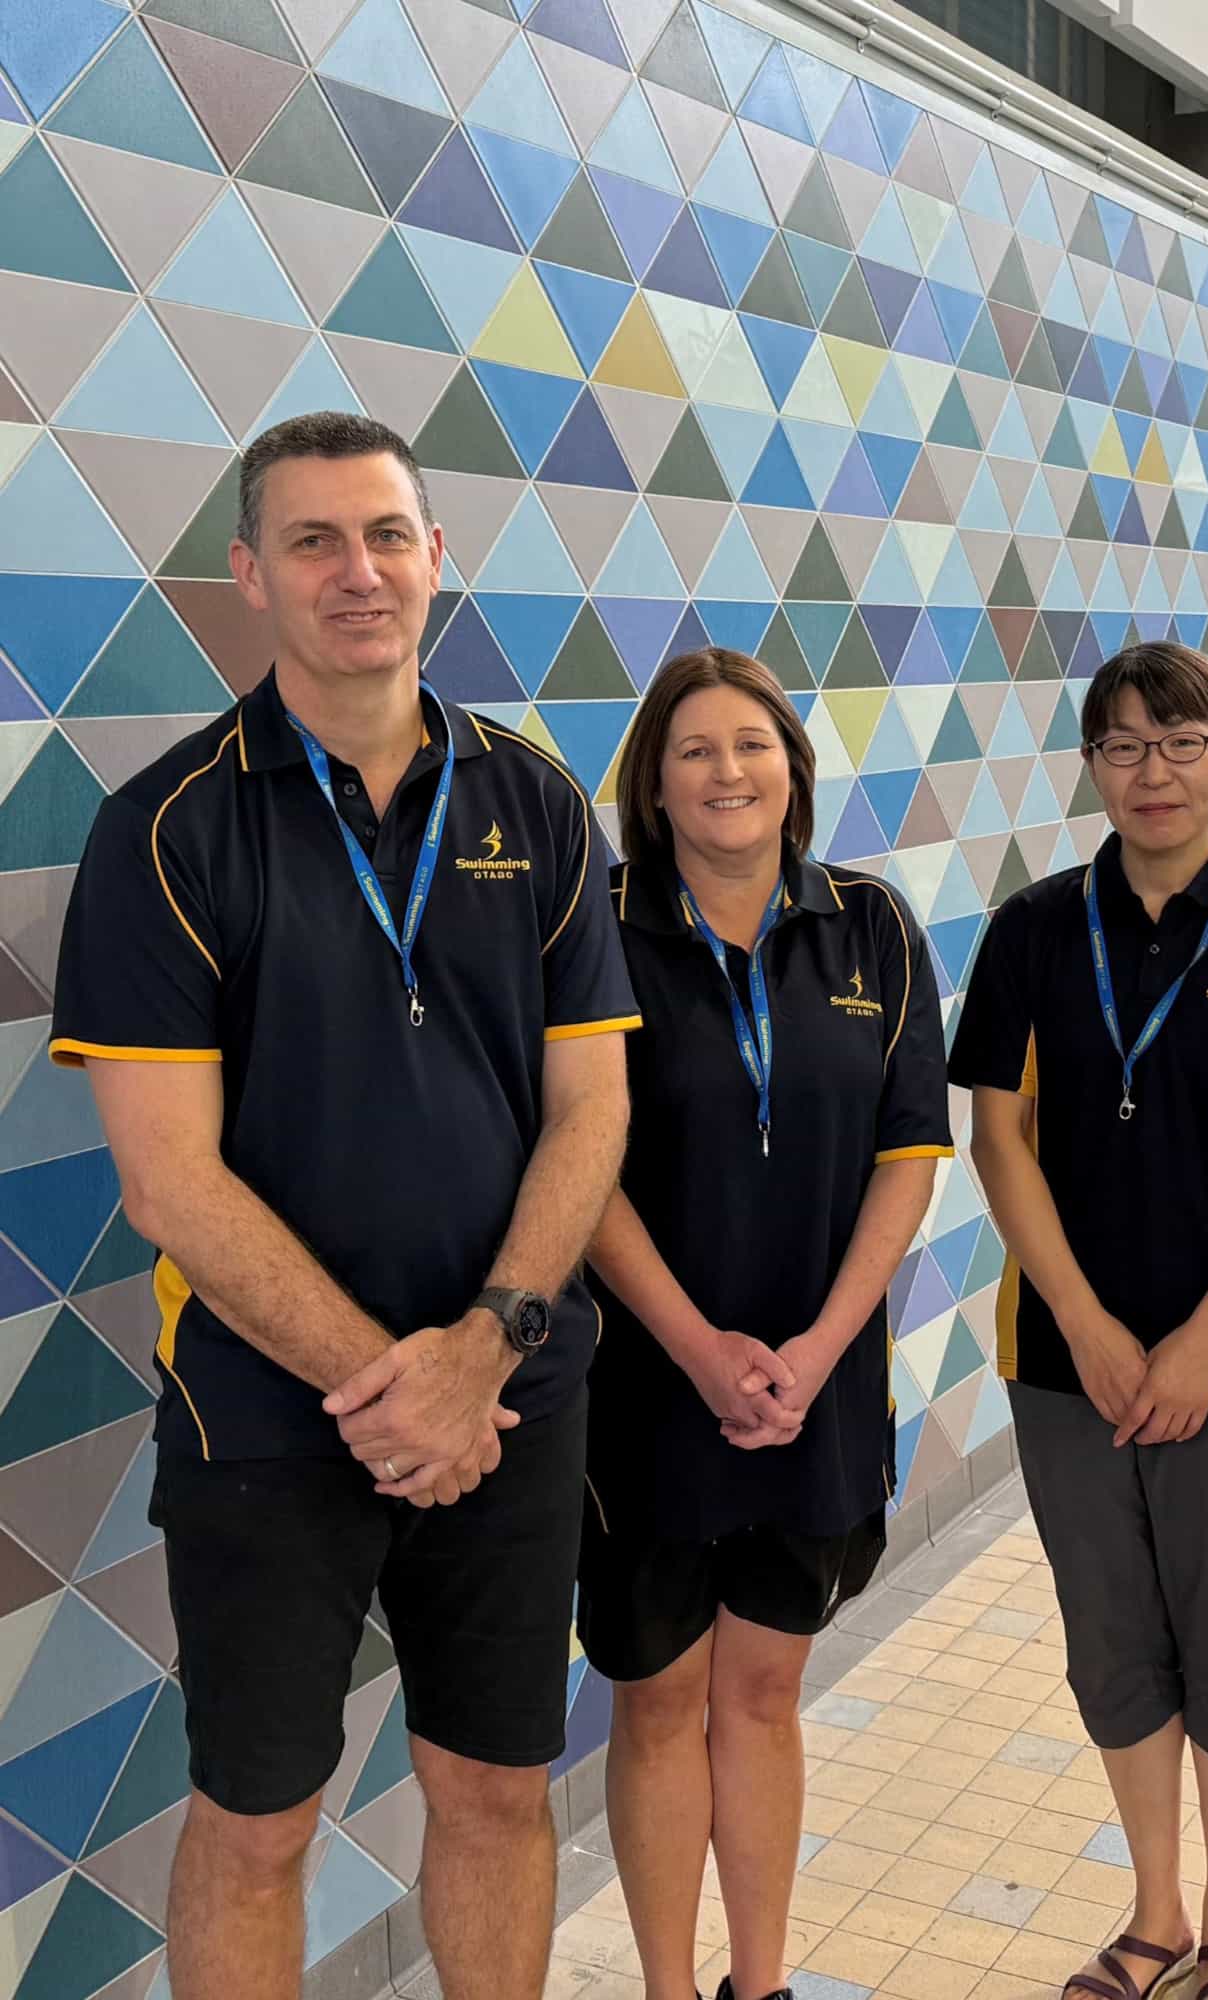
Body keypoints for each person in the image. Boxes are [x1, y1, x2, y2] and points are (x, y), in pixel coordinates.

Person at [48, 411, 640, 2000]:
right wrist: (392, 1386)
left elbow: (593, 1107)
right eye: (311, 541)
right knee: (257, 1827)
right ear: (251, 574)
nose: (356, 571)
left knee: (496, 1791)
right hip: (264, 1413)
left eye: (385, 535)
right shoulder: (166, 828)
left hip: (510, 1398)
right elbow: (168, 1179)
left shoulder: (538, 801)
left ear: (437, 558)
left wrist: (481, 1353)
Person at [949, 641, 1208, 2000]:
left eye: (1184, 743)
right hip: (1064, 1360)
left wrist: (1206, 1333)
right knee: (1113, 1639)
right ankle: (1154, 1916)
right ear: (1091, 766)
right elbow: (1000, 1138)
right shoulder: (1034, 930)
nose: (1155, 772)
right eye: (1125, 746)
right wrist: (1084, 1324)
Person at [579, 646, 952, 2000]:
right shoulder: (597, 928)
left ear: (794, 769)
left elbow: (910, 1152)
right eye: (694, 750)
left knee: (764, 1695)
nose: (726, 772)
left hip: (815, 1383)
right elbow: (580, 1165)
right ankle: (668, 1989)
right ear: (654, 785)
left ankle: (761, 1983)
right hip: (647, 1386)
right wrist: (698, 1350)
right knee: (658, 1699)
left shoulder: (871, 926)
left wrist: (820, 1349)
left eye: (752, 745)